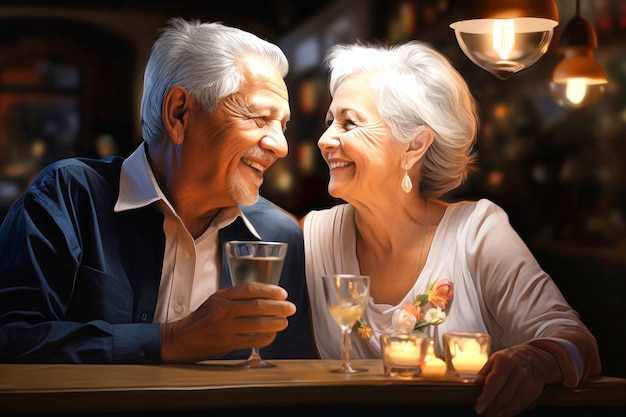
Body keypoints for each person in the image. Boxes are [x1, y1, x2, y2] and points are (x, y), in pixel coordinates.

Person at [302, 41, 601, 417]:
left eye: (349, 122)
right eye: (330, 122)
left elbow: (578, 344)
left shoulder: (476, 233)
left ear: (414, 145)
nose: (325, 139)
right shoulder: (314, 237)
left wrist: (537, 360)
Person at [0, 18, 316, 363]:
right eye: (258, 117)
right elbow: (11, 337)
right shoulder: (69, 198)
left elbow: (288, 372)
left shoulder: (279, 236)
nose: (281, 147)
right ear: (179, 113)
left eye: (282, 126)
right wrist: (171, 340)